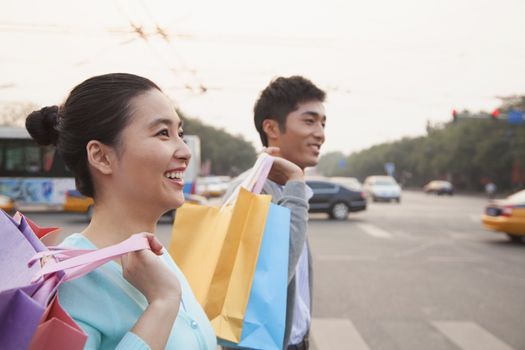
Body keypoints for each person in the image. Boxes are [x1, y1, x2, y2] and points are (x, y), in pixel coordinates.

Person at [25, 73, 216, 350]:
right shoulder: (69, 285)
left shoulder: (155, 258)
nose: (185, 151)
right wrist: (162, 303)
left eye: (180, 134)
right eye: (163, 133)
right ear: (101, 157)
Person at [224, 76, 326, 350]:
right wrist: (295, 183)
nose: (320, 133)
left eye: (323, 123)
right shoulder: (248, 192)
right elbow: (275, 279)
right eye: (309, 121)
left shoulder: (288, 190)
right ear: (271, 127)